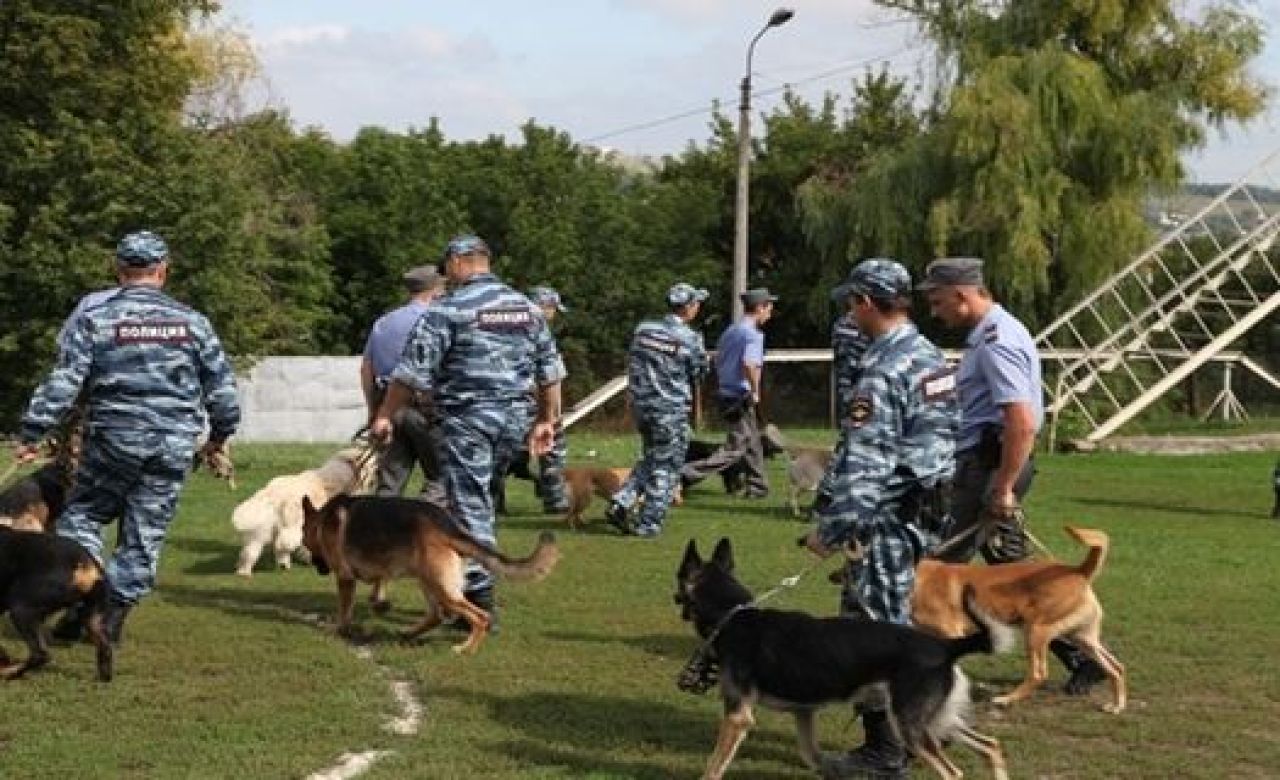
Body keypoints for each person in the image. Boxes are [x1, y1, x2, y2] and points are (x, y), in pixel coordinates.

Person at [14, 230, 241, 645]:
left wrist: (32, 430)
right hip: (172, 445)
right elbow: (223, 392)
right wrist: (219, 436)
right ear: (163, 272)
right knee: (145, 531)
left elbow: (65, 382)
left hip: (112, 440)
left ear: (119, 271)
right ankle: (112, 613)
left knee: (82, 517)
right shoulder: (193, 323)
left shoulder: (95, 319)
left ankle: (84, 593)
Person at [919, 256, 1107, 697]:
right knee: (1006, 565)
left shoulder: (997, 340)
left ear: (963, 295)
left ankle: (927, 663)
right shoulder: (988, 335)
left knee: (938, 566)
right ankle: (1082, 655)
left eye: (938, 300)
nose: (934, 310)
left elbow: (1019, 421)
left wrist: (1003, 485)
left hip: (991, 467)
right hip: (986, 465)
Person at [803, 259, 957, 779]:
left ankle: (884, 752)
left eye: (852, 302)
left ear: (866, 302)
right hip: (922, 512)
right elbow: (940, 441)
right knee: (901, 629)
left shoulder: (882, 370)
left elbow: (869, 465)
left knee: (872, 635)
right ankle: (928, 731)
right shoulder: (930, 357)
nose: (850, 311)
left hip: (883, 524)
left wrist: (832, 528)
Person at [371, 235, 564, 623]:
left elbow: (409, 373)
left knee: (468, 505)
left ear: (459, 262)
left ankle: (477, 600)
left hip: (469, 421)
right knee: (483, 499)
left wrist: (384, 415)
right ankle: (471, 589)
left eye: (448, 271)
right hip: (513, 422)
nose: (447, 280)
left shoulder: (450, 309)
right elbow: (551, 373)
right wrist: (546, 420)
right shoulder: (528, 309)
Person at [606, 282, 709, 537]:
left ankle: (622, 501)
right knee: (667, 466)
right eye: (696, 303)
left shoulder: (644, 330)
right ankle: (649, 523)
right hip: (670, 409)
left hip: (642, 406)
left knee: (652, 457)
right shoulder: (690, 338)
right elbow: (700, 372)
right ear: (689, 308)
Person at [360, 265, 447, 503]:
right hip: (426, 407)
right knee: (443, 477)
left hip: (387, 404)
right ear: (437, 291)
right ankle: (421, 524)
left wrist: (375, 412)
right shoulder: (439, 321)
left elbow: (367, 369)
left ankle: (381, 533)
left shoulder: (383, 323)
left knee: (389, 481)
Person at [679, 286, 777, 499]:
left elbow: (719, 360)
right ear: (760, 308)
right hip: (740, 395)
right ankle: (684, 474)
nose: (771, 312)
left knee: (751, 442)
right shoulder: (753, 335)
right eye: (769, 307)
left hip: (725, 393)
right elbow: (750, 365)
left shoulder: (731, 331)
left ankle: (758, 488)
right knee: (735, 449)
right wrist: (755, 391)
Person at [525, 286, 570, 514]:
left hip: (507, 404)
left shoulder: (509, 329)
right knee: (553, 448)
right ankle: (555, 499)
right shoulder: (542, 335)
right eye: (553, 309)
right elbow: (551, 378)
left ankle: (493, 501)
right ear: (546, 307)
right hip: (536, 403)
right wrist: (554, 414)